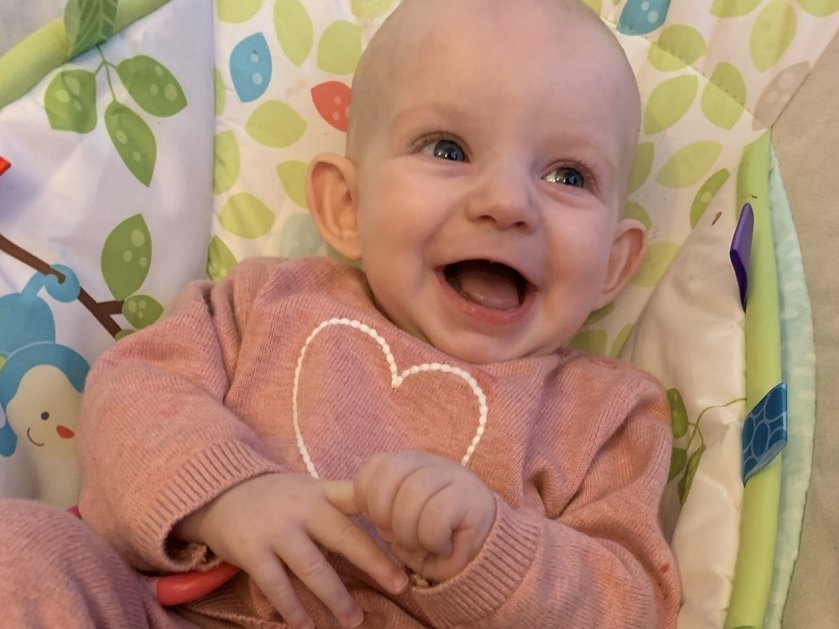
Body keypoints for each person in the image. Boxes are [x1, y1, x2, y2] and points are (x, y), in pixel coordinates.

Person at [0, 0, 681, 626]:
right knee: (22, 547)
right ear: (345, 210)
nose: (505, 202)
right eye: (447, 148)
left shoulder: (606, 415)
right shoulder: (263, 302)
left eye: (567, 175)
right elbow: (131, 395)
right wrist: (227, 493)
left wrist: (492, 549)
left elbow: (634, 600)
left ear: (615, 264)